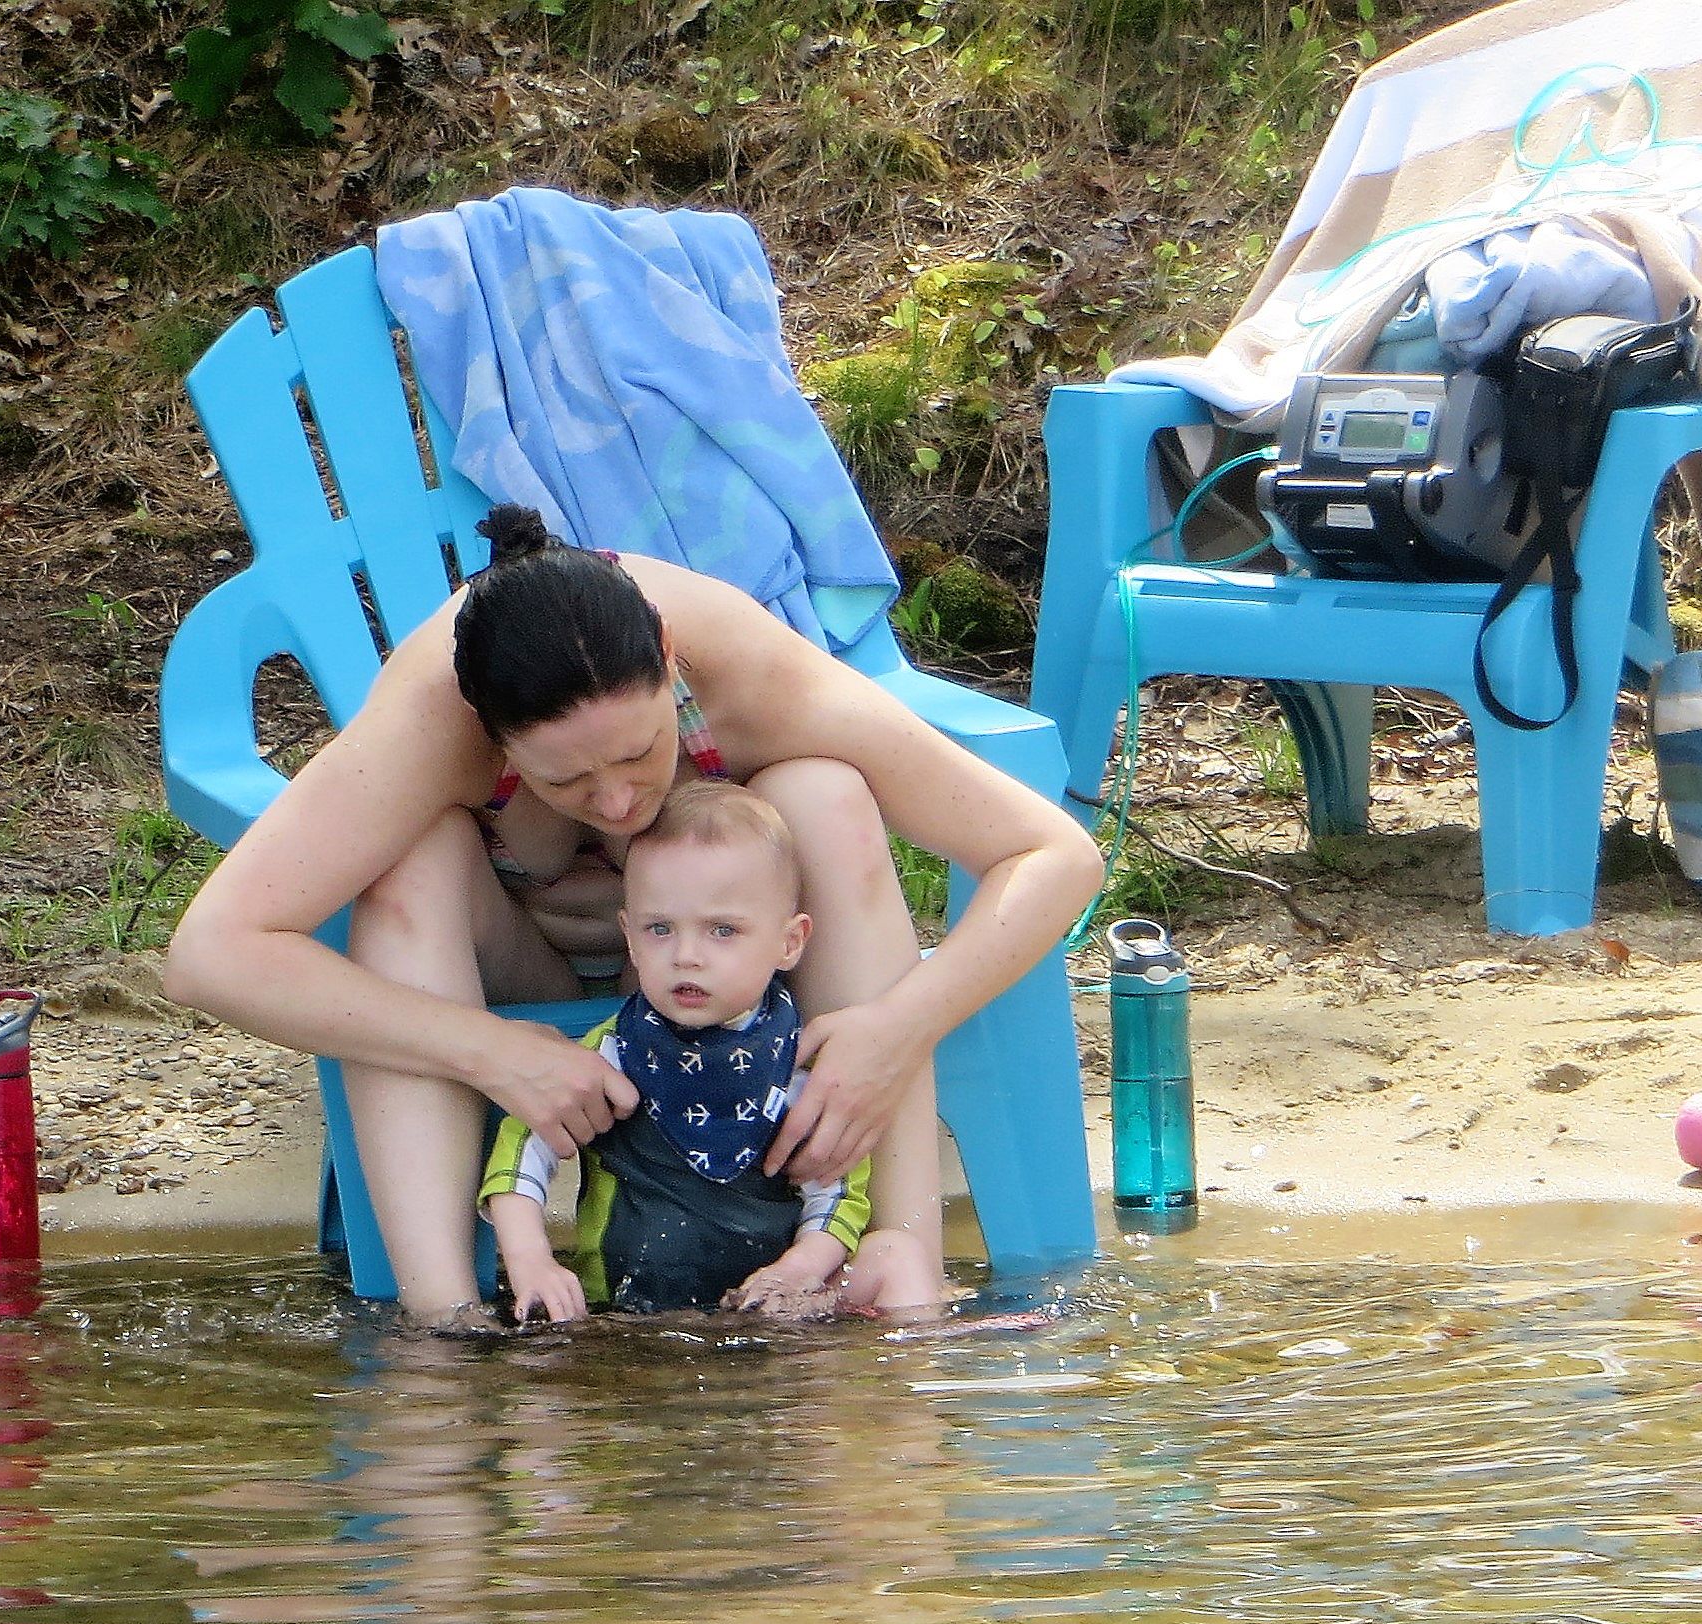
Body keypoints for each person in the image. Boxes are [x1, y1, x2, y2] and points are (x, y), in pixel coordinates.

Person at [164, 503, 1104, 1325]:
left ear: (666, 660)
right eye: (563, 779)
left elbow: (1053, 855)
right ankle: (440, 1326)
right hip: (518, 959)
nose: (615, 804)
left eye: (641, 754)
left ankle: (897, 1271)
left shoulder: (745, 668)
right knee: (412, 861)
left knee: (824, 793)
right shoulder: (429, 721)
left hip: (728, 961)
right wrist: (489, 1051)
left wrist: (898, 1028)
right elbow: (212, 953)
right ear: (490, 732)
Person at [480, 782, 870, 1322]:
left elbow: (840, 1193)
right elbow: (524, 1146)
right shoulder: (615, 1053)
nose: (686, 956)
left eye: (722, 930)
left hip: (765, 1312)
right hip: (619, 1314)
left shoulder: (799, 1067)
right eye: (660, 929)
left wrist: (800, 1268)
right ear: (630, 938)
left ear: (790, 942)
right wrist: (531, 1259)